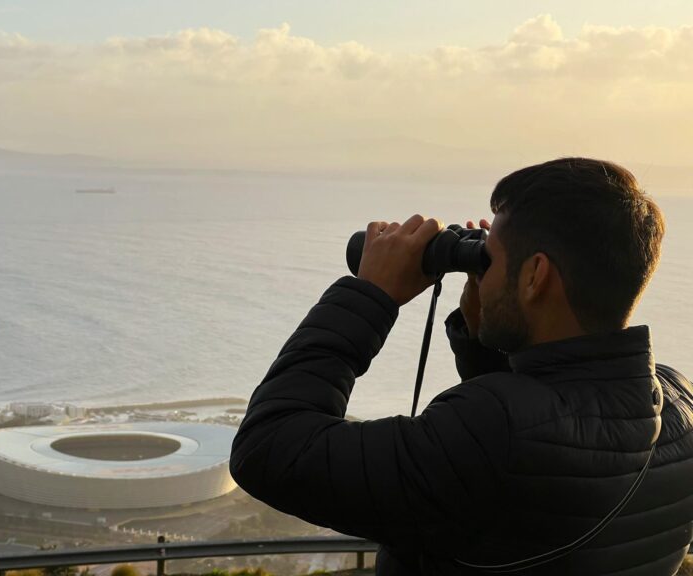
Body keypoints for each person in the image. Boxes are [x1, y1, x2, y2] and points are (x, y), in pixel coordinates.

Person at [229, 158, 693, 575]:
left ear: (535, 276)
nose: (482, 273)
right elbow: (535, 464)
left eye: (490, 258)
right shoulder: (680, 403)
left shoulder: (492, 428)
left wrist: (371, 295)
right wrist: (486, 332)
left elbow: (270, 449)